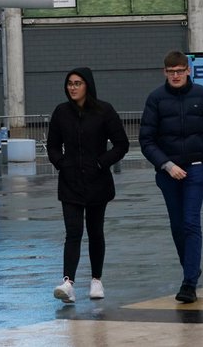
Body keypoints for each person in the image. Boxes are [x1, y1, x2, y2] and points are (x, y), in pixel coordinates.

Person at [139, 51, 203, 304]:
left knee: (190, 223)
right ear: (164, 72)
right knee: (178, 226)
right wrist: (166, 165)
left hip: (196, 168)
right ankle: (192, 267)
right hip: (168, 173)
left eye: (180, 70)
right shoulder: (155, 99)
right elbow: (146, 140)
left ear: (188, 70)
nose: (176, 75)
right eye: (171, 71)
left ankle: (189, 282)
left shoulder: (202, 95)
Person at [47, 67, 129, 304]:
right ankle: (68, 283)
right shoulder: (61, 112)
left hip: (97, 182)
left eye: (77, 83)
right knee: (73, 232)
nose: (72, 87)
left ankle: (96, 280)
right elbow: (52, 145)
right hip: (70, 182)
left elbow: (121, 144)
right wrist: (61, 163)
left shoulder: (104, 110)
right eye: (70, 83)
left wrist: (101, 163)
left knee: (95, 232)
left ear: (88, 86)